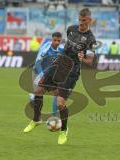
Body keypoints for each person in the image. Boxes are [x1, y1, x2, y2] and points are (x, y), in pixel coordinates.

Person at [24, 8, 96, 145]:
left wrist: (83, 58)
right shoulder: (71, 29)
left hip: (72, 70)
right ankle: (36, 119)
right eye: (80, 20)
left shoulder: (91, 39)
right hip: (59, 64)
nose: (81, 23)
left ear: (89, 20)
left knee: (60, 102)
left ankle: (63, 130)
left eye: (84, 21)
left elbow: (90, 61)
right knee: (38, 91)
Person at [23, 32, 64, 133]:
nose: (57, 42)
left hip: (51, 75)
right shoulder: (46, 48)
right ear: (52, 39)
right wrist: (42, 76)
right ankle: (37, 117)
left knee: (58, 94)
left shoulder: (62, 49)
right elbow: (37, 63)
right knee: (36, 95)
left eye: (59, 40)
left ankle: (54, 117)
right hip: (39, 72)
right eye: (55, 40)